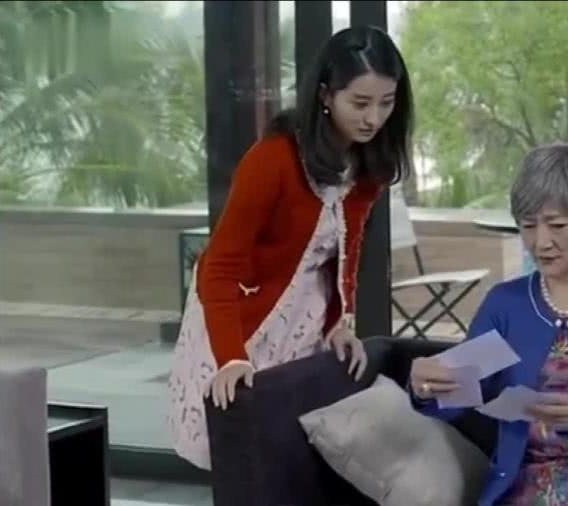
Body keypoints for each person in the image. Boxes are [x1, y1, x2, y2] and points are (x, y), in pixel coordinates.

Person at [167, 25, 413, 470]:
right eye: (360, 103)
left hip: (306, 319)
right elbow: (218, 266)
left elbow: (347, 251)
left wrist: (340, 322)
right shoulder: (273, 159)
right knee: (238, 453)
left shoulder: (368, 162)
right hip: (239, 316)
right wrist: (230, 356)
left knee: (289, 454)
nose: (373, 119)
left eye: (386, 103)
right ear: (325, 95)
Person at [409, 143, 568, 506]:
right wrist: (427, 387)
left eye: (557, 225)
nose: (540, 242)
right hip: (521, 490)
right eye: (528, 225)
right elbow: (460, 395)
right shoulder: (507, 305)